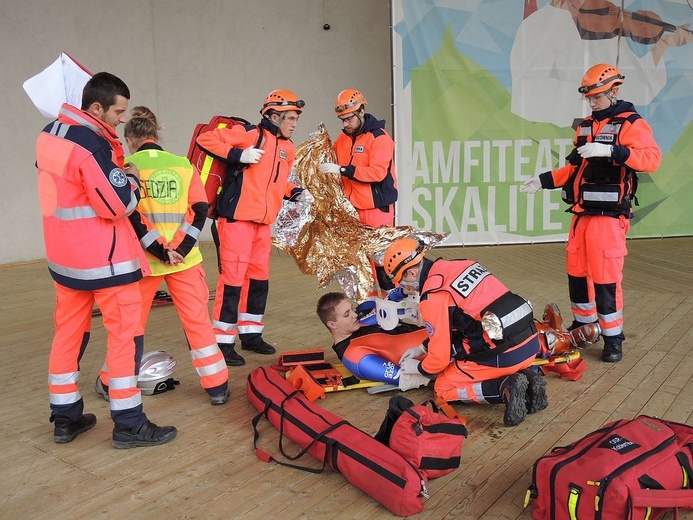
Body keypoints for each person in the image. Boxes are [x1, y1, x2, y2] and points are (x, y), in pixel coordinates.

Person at [35, 72, 177, 448]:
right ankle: (130, 423)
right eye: (118, 111)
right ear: (96, 107)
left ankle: (65, 418)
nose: (121, 120)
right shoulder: (91, 144)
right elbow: (118, 204)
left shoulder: (50, 133)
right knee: (125, 339)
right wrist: (131, 177)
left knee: (68, 335)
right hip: (107, 263)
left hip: (65, 263)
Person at [521, 64, 662, 363]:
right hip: (582, 215)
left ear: (614, 90)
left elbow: (651, 159)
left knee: (606, 279)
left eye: (597, 96)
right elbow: (574, 168)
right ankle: (585, 327)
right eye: (589, 98)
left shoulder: (631, 123)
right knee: (577, 274)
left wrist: (613, 152)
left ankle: (613, 338)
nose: (592, 102)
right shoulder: (585, 126)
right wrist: (543, 180)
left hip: (609, 218)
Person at [92, 106, 230, 406]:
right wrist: (179, 250)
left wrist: (159, 250)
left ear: (131, 139)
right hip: (186, 261)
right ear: (156, 135)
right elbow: (200, 210)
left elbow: (131, 215)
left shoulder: (126, 166)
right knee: (198, 325)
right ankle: (217, 387)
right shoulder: (183, 165)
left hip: (143, 264)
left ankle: (108, 382)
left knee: (129, 329)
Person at [383, 238, 548, 426]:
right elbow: (463, 321)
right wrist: (422, 348)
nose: (406, 289)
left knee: (443, 387)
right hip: (530, 344)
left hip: (505, 356)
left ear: (412, 273)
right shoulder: (462, 264)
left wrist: (419, 368)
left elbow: (439, 360)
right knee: (472, 345)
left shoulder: (433, 296)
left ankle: (505, 388)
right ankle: (530, 381)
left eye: (403, 284)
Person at [196, 90, 306, 366]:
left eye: (295, 118)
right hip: (237, 221)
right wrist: (238, 154)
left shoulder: (288, 148)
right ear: (273, 115)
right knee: (232, 281)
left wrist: (294, 191)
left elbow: (276, 183)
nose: (294, 123)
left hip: (262, 225)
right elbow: (205, 139)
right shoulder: (249, 134)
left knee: (258, 281)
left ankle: (251, 335)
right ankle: (223, 341)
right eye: (290, 118)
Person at [511, 0, 693, 127]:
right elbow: (527, 94)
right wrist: (592, 95)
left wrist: (663, 44)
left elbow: (637, 88)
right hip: (563, 133)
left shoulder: (603, 25)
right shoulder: (537, 25)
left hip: (608, 130)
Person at [319, 89, 398, 295]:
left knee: (381, 259)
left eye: (349, 119)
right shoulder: (343, 139)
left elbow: (378, 173)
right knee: (360, 261)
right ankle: (370, 305)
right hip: (353, 211)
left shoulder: (379, 137)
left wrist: (344, 170)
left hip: (376, 208)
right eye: (342, 120)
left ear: (362, 111)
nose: (345, 124)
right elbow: (332, 160)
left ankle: (395, 304)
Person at [316, 292, 430, 390]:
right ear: (332, 324)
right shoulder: (355, 356)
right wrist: (436, 365)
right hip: (440, 351)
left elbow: (384, 309)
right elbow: (406, 378)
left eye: (352, 309)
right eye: (347, 314)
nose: (355, 315)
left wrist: (403, 291)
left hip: (438, 336)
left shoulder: (357, 324)